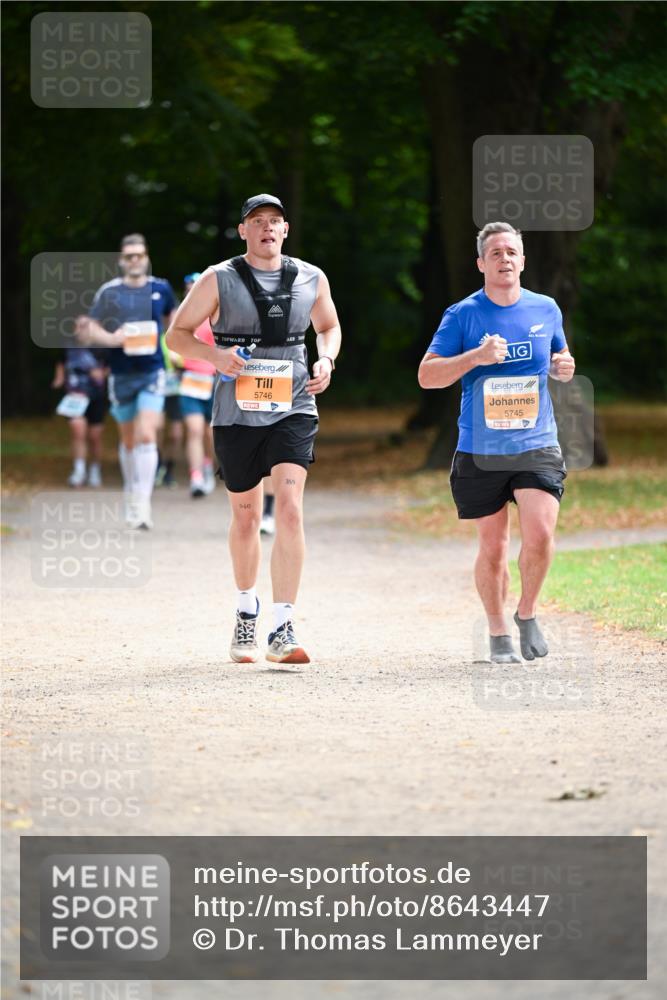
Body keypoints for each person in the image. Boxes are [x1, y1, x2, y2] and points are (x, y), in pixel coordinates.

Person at [166, 194, 341, 664]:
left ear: (285, 230)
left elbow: (328, 326)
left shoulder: (311, 277)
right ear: (243, 230)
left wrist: (326, 358)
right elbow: (176, 335)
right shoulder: (218, 278)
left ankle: (283, 626)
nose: (267, 228)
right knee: (245, 516)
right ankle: (247, 610)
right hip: (237, 411)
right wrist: (214, 356)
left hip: (294, 405)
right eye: (257, 221)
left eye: (275, 221)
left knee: (289, 509)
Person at [418, 222, 576, 663]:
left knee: (541, 534)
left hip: (536, 442)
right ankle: (497, 630)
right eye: (496, 253)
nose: (504, 258)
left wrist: (563, 365)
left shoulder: (546, 308)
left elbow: (560, 356)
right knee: (494, 547)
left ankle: (527, 612)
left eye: (511, 252)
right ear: (481, 264)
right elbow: (427, 376)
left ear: (522, 261)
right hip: (481, 449)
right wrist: (476, 357)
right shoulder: (462, 315)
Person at [79, 234, 177, 528]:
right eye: (129, 256)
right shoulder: (110, 291)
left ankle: (142, 503)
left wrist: (174, 349)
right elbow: (88, 327)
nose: (135, 260)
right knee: (129, 439)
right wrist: (112, 339)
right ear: (122, 261)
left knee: (147, 433)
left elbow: (174, 323)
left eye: (139, 255)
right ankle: (131, 491)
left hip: (153, 372)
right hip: (121, 373)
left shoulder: (161, 288)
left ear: (146, 258)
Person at [178, 272, 217, 498]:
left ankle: (207, 464)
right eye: (188, 287)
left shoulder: (216, 313)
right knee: (193, 430)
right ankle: (196, 477)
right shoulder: (179, 316)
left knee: (210, 433)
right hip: (190, 380)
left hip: (213, 380)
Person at [52, 347, 108, 487]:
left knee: (94, 436)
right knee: (78, 432)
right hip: (75, 396)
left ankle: (95, 469)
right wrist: (59, 377)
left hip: (97, 396)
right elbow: (61, 361)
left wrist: (102, 373)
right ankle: (79, 470)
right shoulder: (68, 345)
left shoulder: (102, 345)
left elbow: (113, 365)